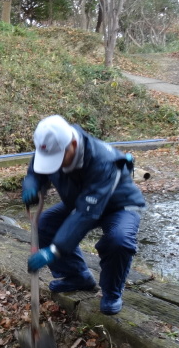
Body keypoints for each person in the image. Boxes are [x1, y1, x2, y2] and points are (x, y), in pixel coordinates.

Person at [22, 115, 145, 315]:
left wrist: (54, 250)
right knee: (45, 224)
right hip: (80, 202)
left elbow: (85, 214)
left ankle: (112, 292)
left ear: (72, 144)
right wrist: (32, 185)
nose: (56, 165)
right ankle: (77, 276)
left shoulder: (102, 161)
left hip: (119, 205)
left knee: (119, 240)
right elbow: (36, 170)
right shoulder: (51, 145)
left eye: (58, 159)